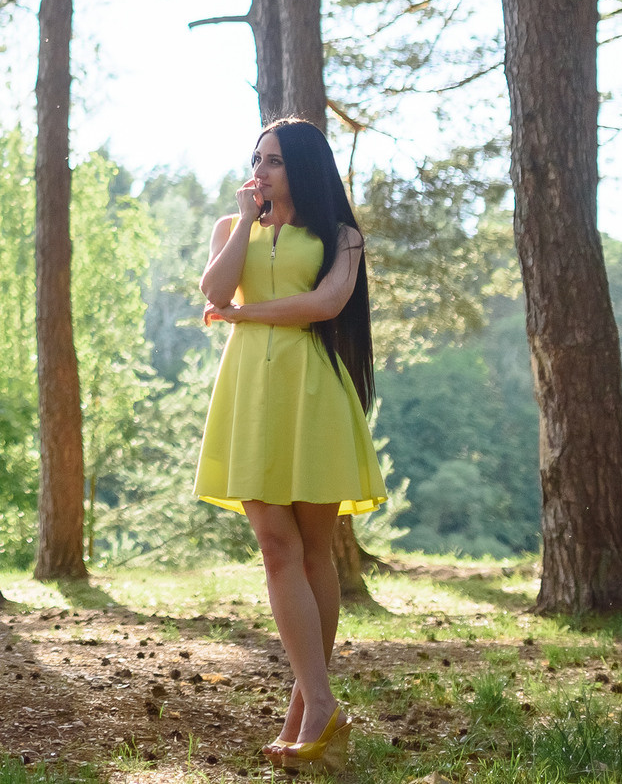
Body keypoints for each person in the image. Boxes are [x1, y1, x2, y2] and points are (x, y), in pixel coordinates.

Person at [194, 117, 384, 773]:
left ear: (301, 165)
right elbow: (214, 291)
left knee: (311, 554)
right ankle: (322, 703)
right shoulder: (230, 227)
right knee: (276, 547)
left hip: (313, 395)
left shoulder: (340, 234)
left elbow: (328, 303)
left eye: (273, 160)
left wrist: (247, 315)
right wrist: (246, 222)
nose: (262, 169)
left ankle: (308, 709)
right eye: (256, 159)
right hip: (250, 394)